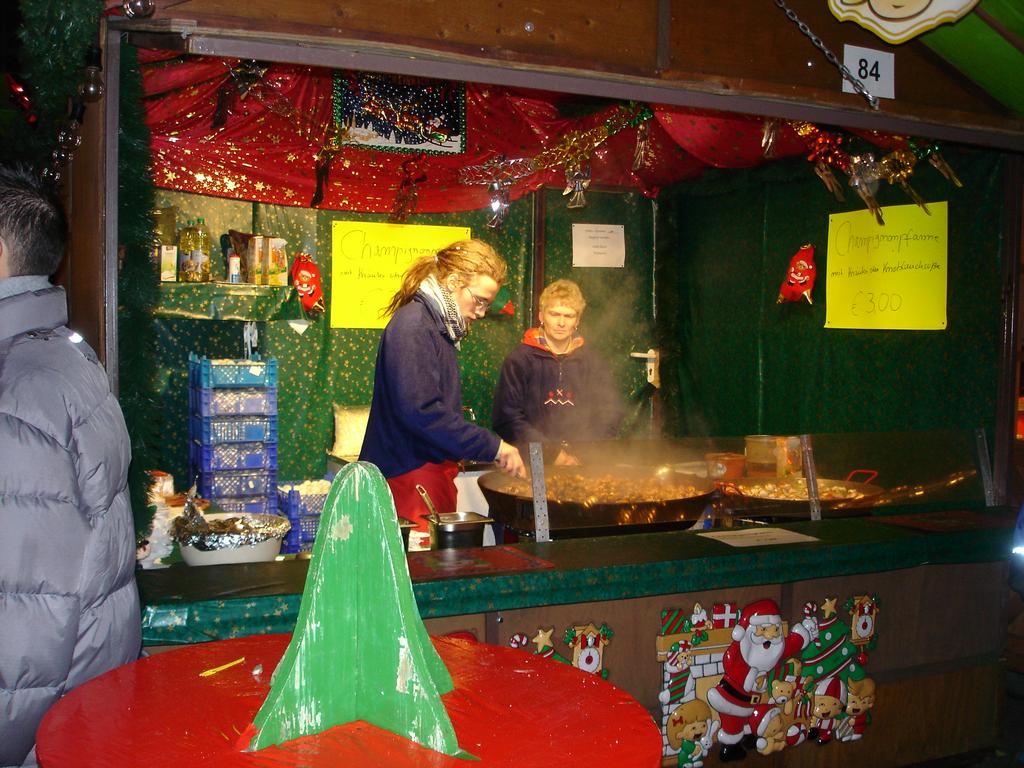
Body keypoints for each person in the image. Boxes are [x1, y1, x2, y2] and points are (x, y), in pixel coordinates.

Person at [0, 162, 142, 768]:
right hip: (78, 707)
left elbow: (28, 610)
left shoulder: (18, 391)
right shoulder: (63, 357)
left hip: (39, 731)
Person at [359, 239, 525, 533]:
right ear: (452, 282)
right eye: (479, 300)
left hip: (424, 473)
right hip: (407, 477)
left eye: (487, 304)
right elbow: (421, 412)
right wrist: (494, 446)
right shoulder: (414, 325)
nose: (481, 312)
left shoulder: (438, 328)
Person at [492, 278, 623, 465]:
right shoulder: (519, 360)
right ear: (541, 316)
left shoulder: (592, 361)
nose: (561, 322)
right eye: (554, 314)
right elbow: (507, 418)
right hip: (533, 460)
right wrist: (552, 454)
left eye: (568, 316)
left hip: (584, 461)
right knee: (538, 487)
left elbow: (609, 412)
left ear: (577, 320)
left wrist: (584, 454)